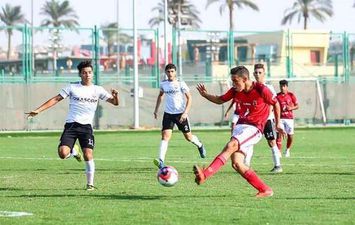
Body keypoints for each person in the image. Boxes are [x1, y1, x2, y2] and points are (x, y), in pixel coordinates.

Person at [26, 60, 119, 190]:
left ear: (93, 74)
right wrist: (38, 110)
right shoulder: (72, 87)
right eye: (84, 73)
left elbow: (115, 103)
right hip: (71, 125)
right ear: (80, 74)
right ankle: (74, 151)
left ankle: (90, 184)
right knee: (63, 154)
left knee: (88, 154)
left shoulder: (98, 90)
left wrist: (116, 96)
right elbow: (56, 99)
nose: (87, 75)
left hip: (86, 127)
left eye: (89, 72)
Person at [194, 65, 285, 198]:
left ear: (245, 79)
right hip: (240, 127)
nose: (233, 84)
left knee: (231, 146)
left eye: (236, 81)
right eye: (232, 81)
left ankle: (205, 174)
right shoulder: (236, 90)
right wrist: (205, 94)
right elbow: (220, 100)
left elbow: (275, 103)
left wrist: (278, 123)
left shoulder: (261, 89)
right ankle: (265, 190)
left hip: (254, 127)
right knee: (237, 164)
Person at [153, 63, 206, 169]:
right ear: (165, 72)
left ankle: (199, 145)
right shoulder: (163, 84)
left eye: (172, 71)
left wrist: (185, 112)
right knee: (165, 136)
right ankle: (161, 160)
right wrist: (156, 110)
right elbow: (160, 95)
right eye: (168, 71)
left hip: (180, 114)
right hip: (168, 114)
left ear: (175, 72)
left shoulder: (181, 83)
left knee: (188, 137)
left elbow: (189, 98)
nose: (170, 73)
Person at [253, 63, 282, 173]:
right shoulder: (251, 87)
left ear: (264, 73)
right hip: (254, 120)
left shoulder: (268, 88)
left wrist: (276, 121)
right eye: (256, 72)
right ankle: (245, 165)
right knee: (249, 142)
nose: (258, 74)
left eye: (260, 72)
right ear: (253, 74)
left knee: (271, 142)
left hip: (266, 120)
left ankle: (278, 166)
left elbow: (274, 103)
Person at [276, 80, 299, 157]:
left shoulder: (291, 95)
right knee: (279, 134)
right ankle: (278, 151)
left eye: (284, 86)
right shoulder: (277, 96)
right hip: (280, 118)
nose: (282, 88)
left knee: (290, 135)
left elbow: (297, 106)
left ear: (286, 87)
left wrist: (291, 108)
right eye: (281, 86)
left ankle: (287, 150)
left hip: (289, 118)